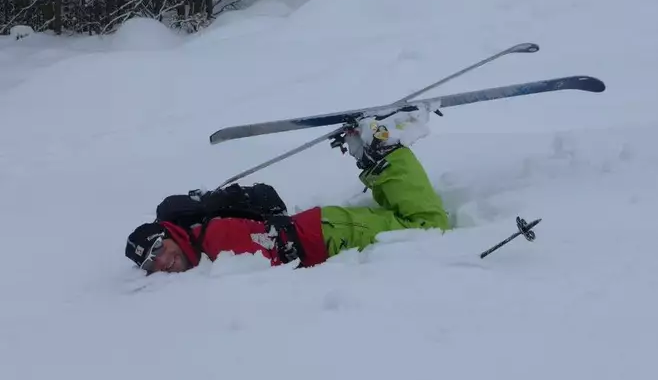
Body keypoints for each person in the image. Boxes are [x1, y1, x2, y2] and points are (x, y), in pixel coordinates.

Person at [124, 109, 450, 274]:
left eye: (158, 248)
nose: (162, 261)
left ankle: (388, 147)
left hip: (328, 235)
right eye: (151, 263)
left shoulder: (213, 240)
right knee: (404, 224)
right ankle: (373, 154)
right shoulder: (202, 248)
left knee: (429, 228)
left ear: (168, 234)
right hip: (322, 231)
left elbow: (267, 251)